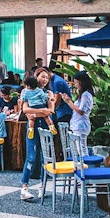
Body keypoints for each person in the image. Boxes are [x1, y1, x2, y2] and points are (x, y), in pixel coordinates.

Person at [20, 68, 56, 202]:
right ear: (36, 77)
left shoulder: (49, 93)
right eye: (42, 76)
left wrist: (34, 113)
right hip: (32, 127)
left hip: (46, 127)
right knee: (31, 157)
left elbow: (51, 111)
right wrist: (43, 111)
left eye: (47, 77)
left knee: (44, 158)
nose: (45, 80)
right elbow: (25, 110)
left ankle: (42, 187)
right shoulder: (27, 91)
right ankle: (24, 188)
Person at [61, 71, 94, 142]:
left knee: (81, 149)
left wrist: (69, 102)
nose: (75, 85)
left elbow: (81, 111)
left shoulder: (86, 95)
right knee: (79, 148)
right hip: (77, 125)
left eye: (77, 83)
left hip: (81, 126)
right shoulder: (83, 94)